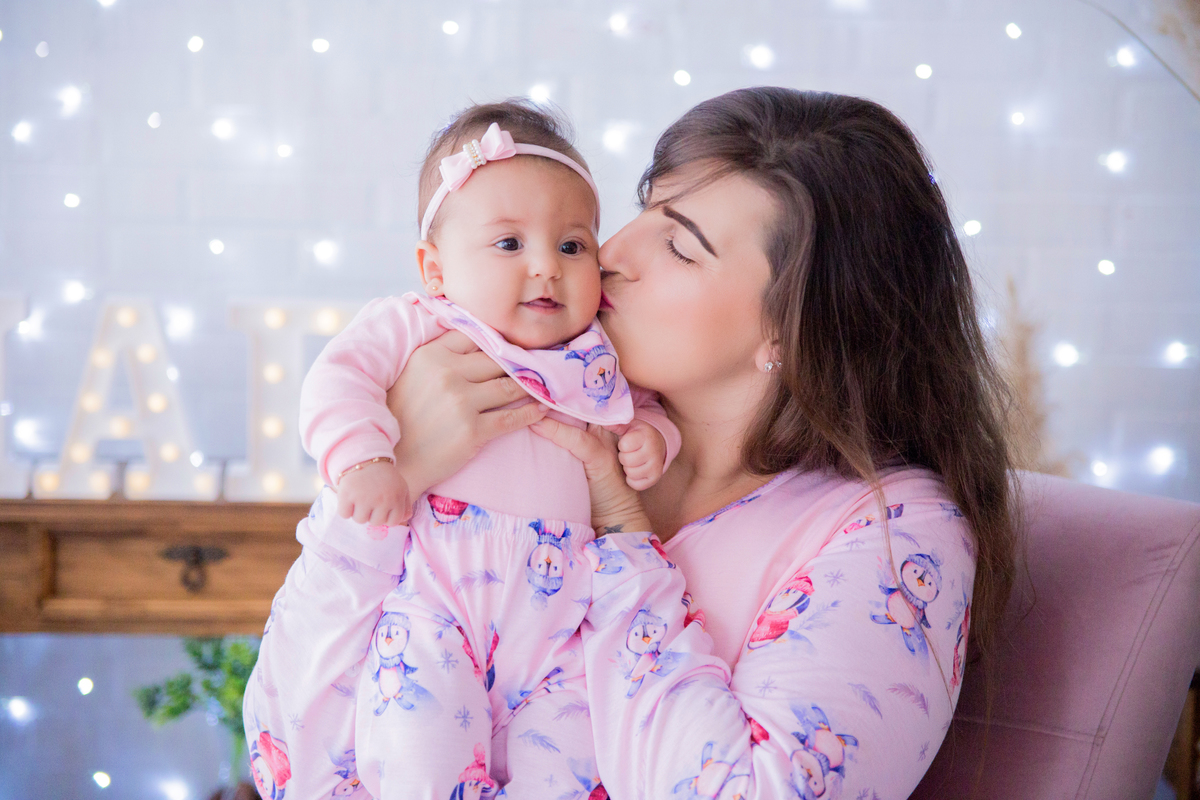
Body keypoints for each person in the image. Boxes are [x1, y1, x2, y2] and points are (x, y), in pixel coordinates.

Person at [246, 86, 1017, 799]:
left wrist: (624, 536)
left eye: (681, 247)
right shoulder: (528, 414)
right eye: (646, 207)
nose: (611, 251)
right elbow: (295, 757)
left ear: (793, 323)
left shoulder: (893, 531)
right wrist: (401, 476)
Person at [245, 100, 681, 799]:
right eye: (509, 244)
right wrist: (364, 459)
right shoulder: (416, 324)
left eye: (572, 246)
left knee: (574, 756)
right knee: (420, 754)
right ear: (435, 267)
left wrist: (651, 441)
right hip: (436, 608)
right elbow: (338, 379)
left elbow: (647, 410)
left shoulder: (599, 354)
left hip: (560, 623)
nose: (546, 267)